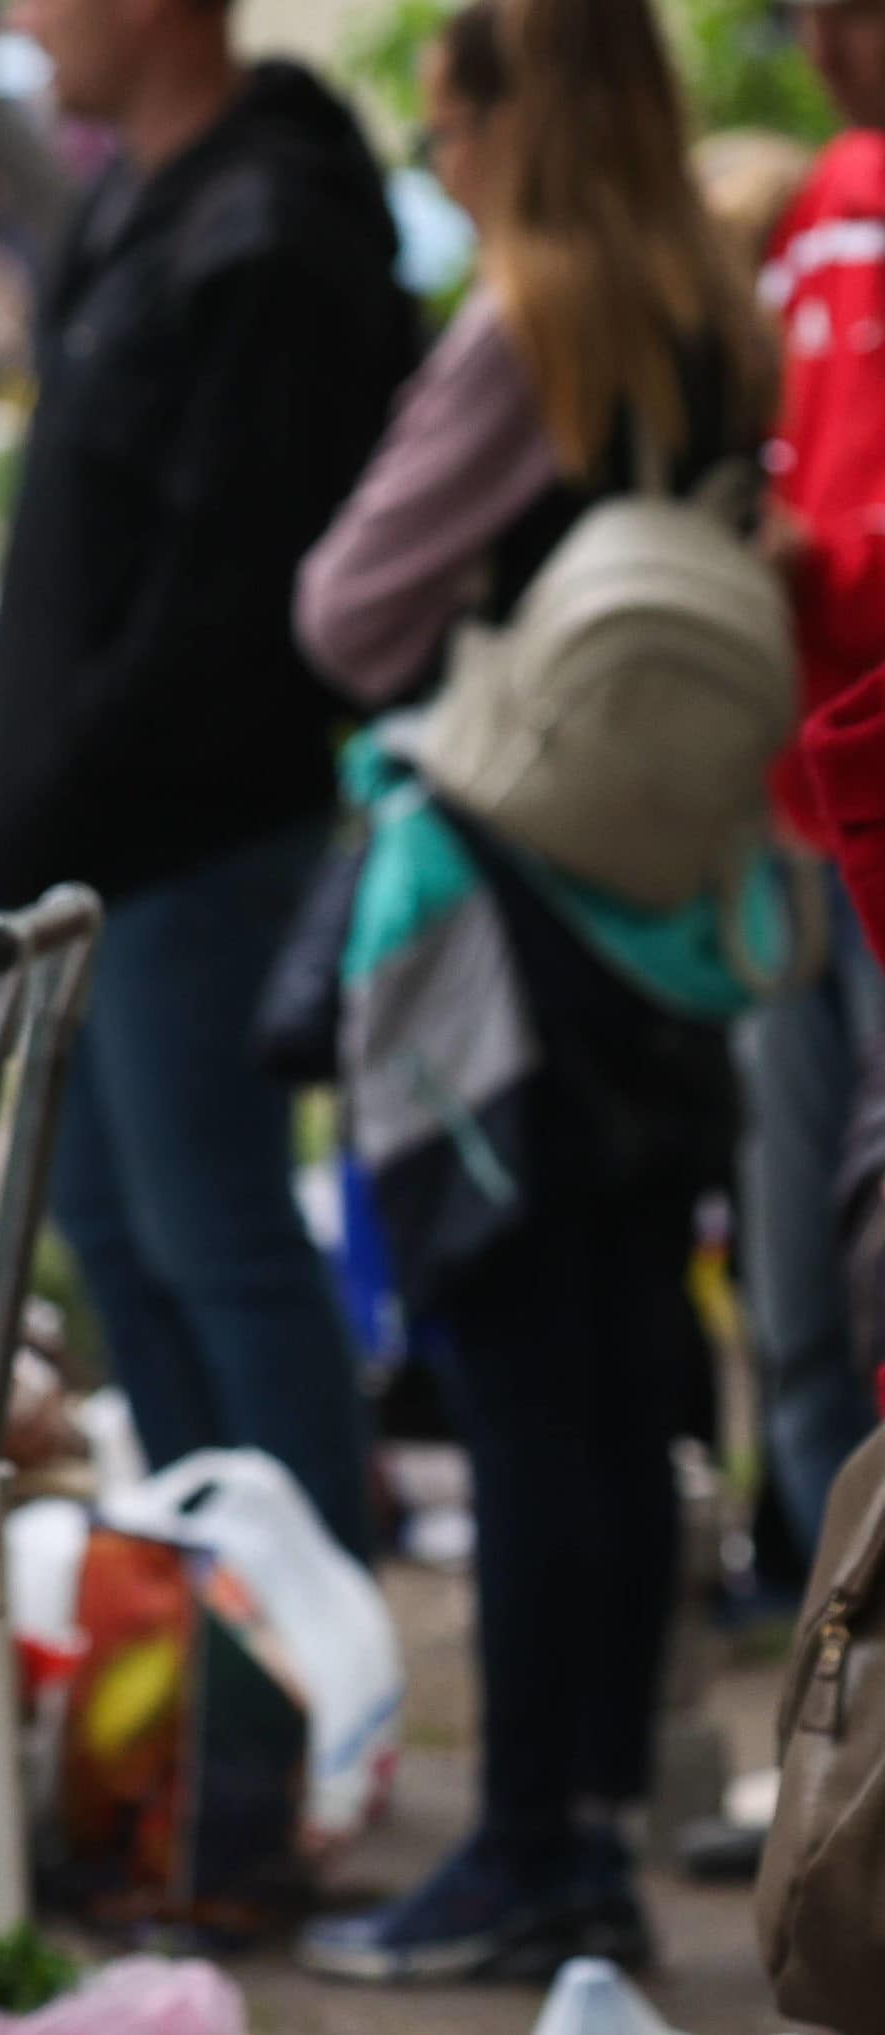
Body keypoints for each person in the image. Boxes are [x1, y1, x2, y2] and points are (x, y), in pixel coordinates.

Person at [291, 0, 775, 1980]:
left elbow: (347, 611)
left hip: (494, 915)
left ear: (507, 116)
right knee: (616, 1383)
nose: (433, 147)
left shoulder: (526, 320)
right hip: (667, 909)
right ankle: (588, 1838)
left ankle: (522, 1857)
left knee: (508, 1394)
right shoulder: (708, 309)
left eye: (447, 112)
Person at [0, 0, 418, 1559]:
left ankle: (287, 1680)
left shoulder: (268, 229)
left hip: (193, 839)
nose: (25, 22)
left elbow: (232, 595)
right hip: (92, 839)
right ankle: (202, 1629)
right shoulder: (139, 199)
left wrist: (73, 768)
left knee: (216, 1242)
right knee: (114, 1237)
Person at [735, 0, 885, 1556]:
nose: (832, 45)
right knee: (796, 1266)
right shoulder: (830, 200)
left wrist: (828, 567)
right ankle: (832, 1679)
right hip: (794, 809)